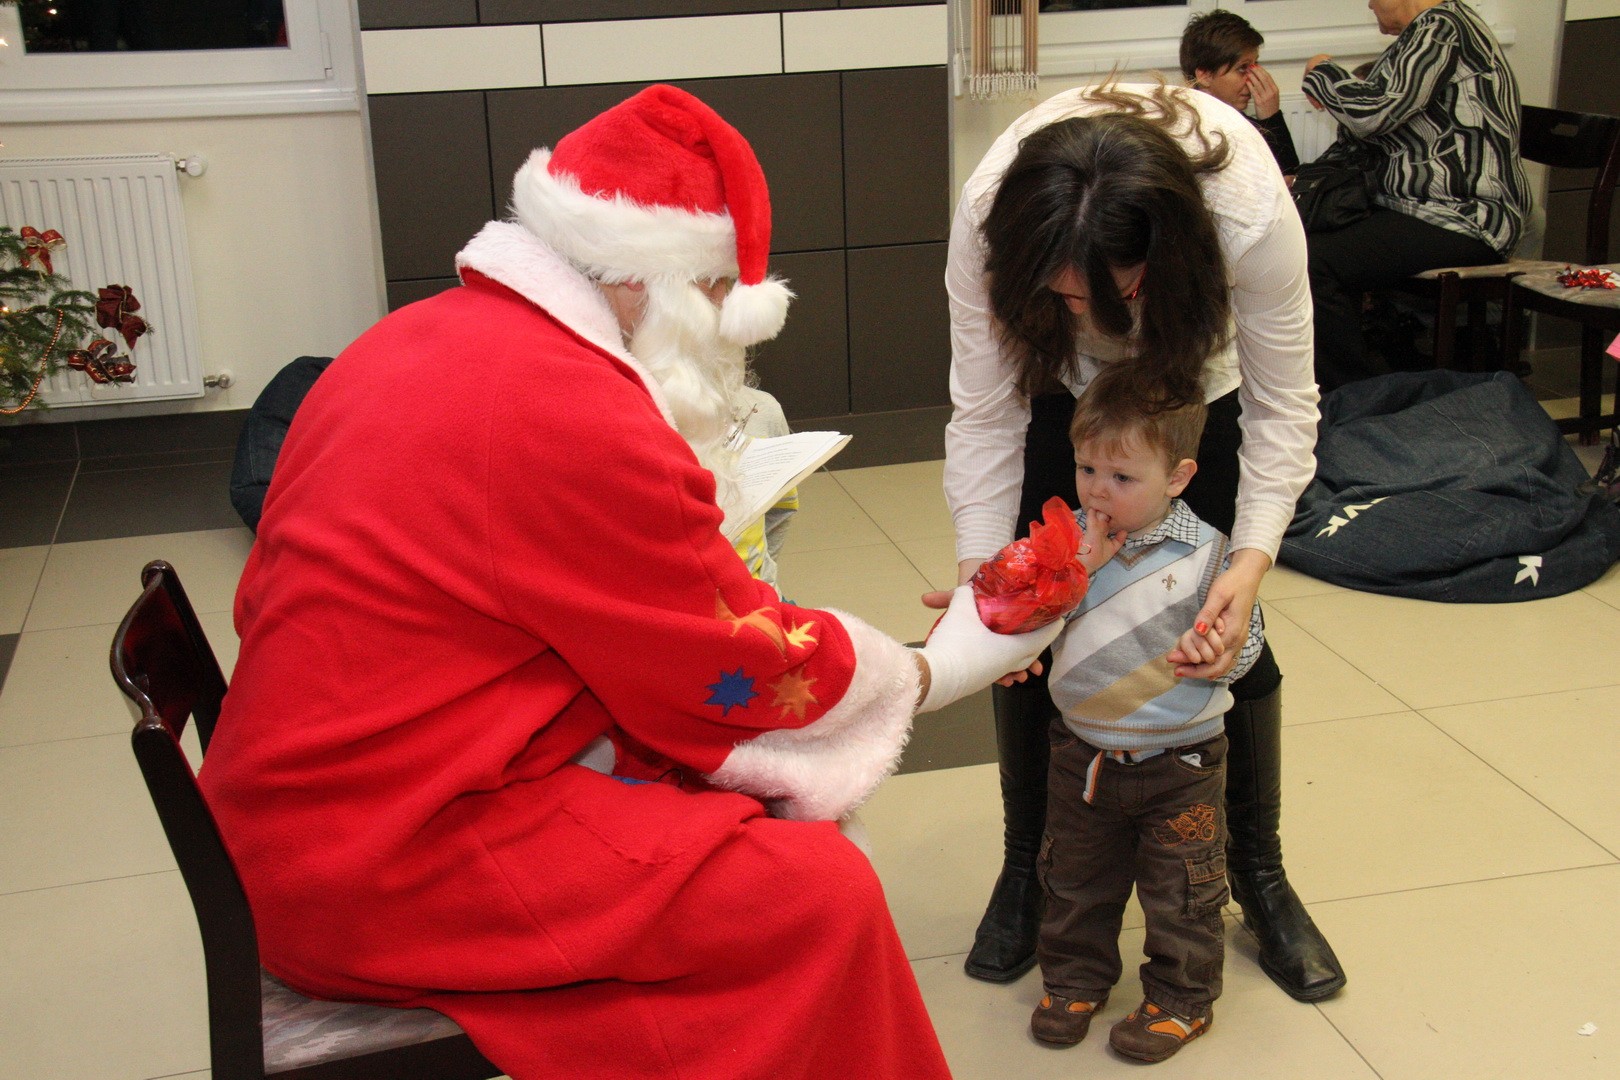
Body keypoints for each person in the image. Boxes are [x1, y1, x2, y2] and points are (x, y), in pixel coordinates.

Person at [198, 84, 1060, 1080]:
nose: (726, 335)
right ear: (661, 279)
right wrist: (935, 670)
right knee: (814, 893)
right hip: (388, 861)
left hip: (307, 812)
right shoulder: (572, 407)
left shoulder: (409, 336)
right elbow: (725, 663)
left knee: (712, 813)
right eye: (717, 299)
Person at [943, 79, 1347, 1004]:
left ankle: (1258, 873)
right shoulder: (994, 218)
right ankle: (1028, 864)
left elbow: (1287, 405)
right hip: (1060, 399)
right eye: (1062, 294)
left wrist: (1248, 565)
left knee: (1219, 633)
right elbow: (986, 412)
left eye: (1111, 291)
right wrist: (981, 580)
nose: (1089, 317)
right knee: (1033, 634)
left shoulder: (1245, 213)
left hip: (1198, 391)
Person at [1029, 369, 1263, 1063]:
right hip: (1082, 754)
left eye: (1123, 477)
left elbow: (1248, 641)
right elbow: (1031, 625)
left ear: (1178, 477)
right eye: (1086, 468)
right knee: (1074, 880)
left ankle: (1182, 999)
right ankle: (1074, 980)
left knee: (1182, 890)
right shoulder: (1062, 542)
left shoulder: (1212, 555)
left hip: (1182, 762)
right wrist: (1070, 574)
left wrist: (1219, 654)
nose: (1097, 490)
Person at [1301, 0, 1530, 391]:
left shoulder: (1443, 28)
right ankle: (1341, 387)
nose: (1370, 4)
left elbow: (1372, 113)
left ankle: (1357, 394)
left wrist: (1321, 69)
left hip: (1465, 216)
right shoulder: (1428, 33)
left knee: (1310, 261)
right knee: (1303, 243)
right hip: (1419, 210)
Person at [1180, 9, 1299, 175]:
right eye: (1243, 68)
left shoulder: (1237, 119)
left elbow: (1291, 175)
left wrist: (1271, 117)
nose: (1252, 79)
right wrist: (1271, 120)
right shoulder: (1195, 133)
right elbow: (1284, 177)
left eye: (1255, 65)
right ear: (1205, 76)